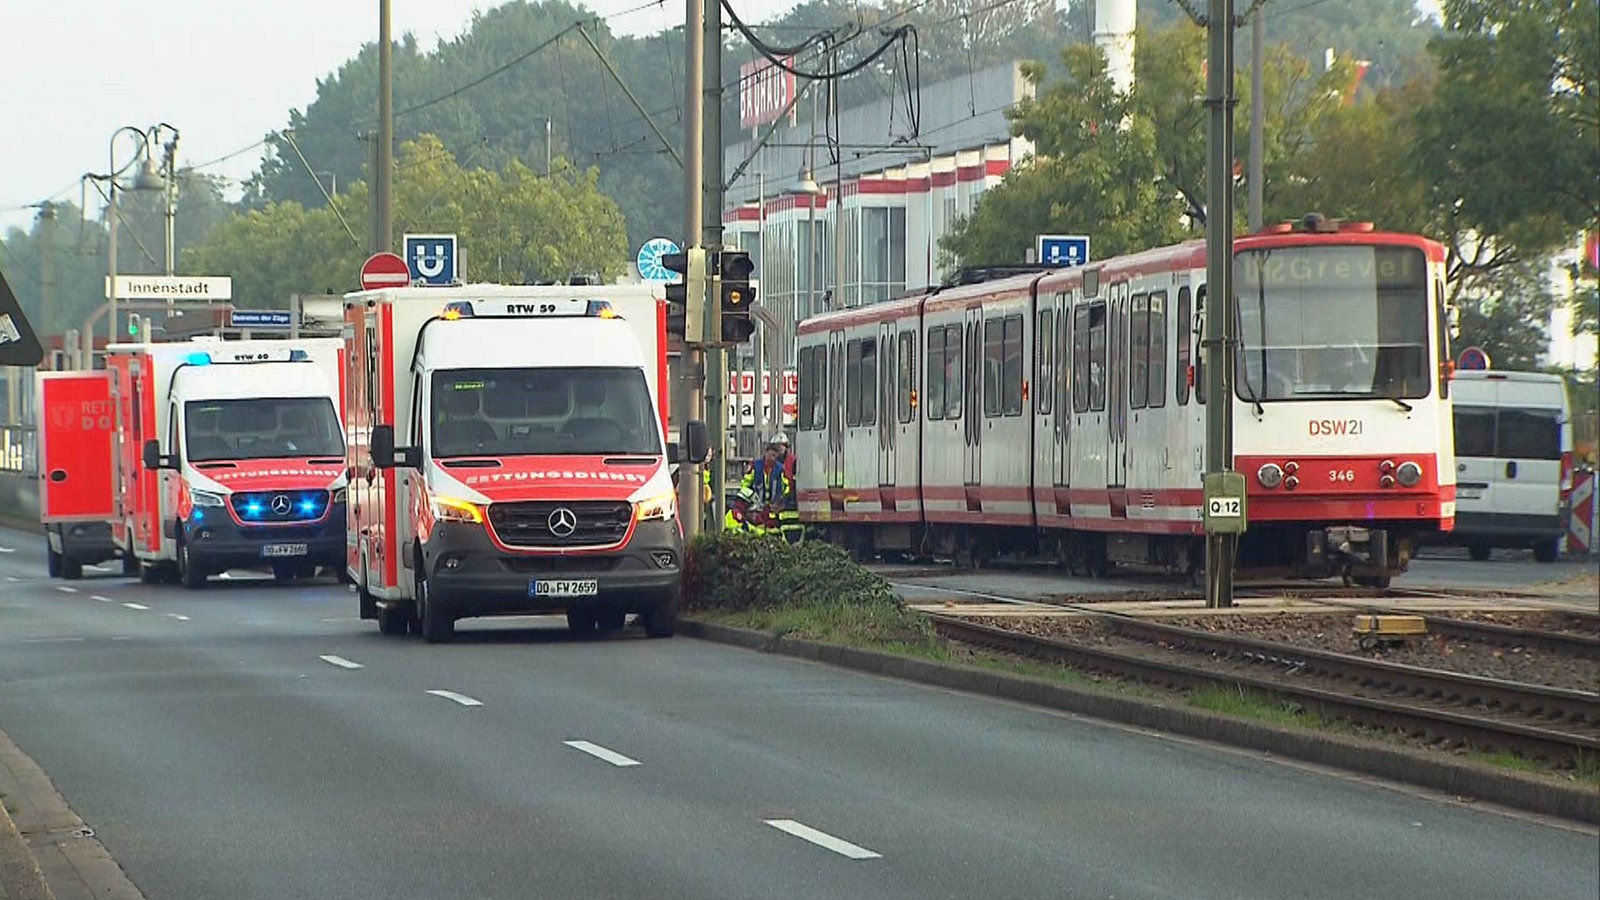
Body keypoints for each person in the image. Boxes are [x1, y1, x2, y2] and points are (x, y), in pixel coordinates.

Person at [766, 431, 802, 544]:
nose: (779, 449)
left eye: (781, 445)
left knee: (790, 527)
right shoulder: (771, 461)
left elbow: (795, 479)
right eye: (777, 446)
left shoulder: (793, 461)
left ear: (786, 446)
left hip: (790, 500)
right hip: (774, 499)